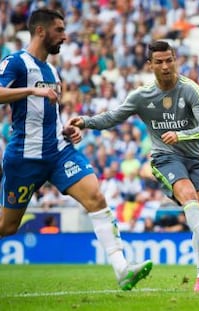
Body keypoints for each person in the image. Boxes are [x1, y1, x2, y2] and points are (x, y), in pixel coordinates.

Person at [0, 8, 152, 291]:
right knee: (7, 227)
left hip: (58, 151)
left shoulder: (53, 70)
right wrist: (31, 91)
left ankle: (122, 270)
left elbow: (48, 114)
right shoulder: (16, 62)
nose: (65, 36)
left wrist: (67, 130)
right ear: (41, 31)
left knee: (95, 196)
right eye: (59, 30)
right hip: (24, 157)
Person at [68, 40, 199, 292]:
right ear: (150, 65)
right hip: (165, 157)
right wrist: (85, 121)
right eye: (159, 62)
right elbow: (113, 116)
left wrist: (181, 135)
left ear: (175, 59)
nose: (165, 66)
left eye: (169, 60)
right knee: (188, 195)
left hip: (195, 157)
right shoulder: (142, 96)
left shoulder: (190, 89)